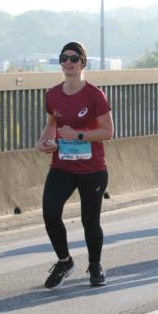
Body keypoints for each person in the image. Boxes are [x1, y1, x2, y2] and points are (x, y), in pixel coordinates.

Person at [36, 41, 115, 288]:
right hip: (62, 166)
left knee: (89, 221)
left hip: (92, 169)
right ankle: (64, 261)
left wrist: (78, 136)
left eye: (74, 58)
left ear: (83, 63)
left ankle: (95, 266)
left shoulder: (94, 94)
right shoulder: (52, 94)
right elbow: (52, 123)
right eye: (64, 58)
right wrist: (42, 142)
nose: (68, 63)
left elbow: (108, 131)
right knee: (50, 213)